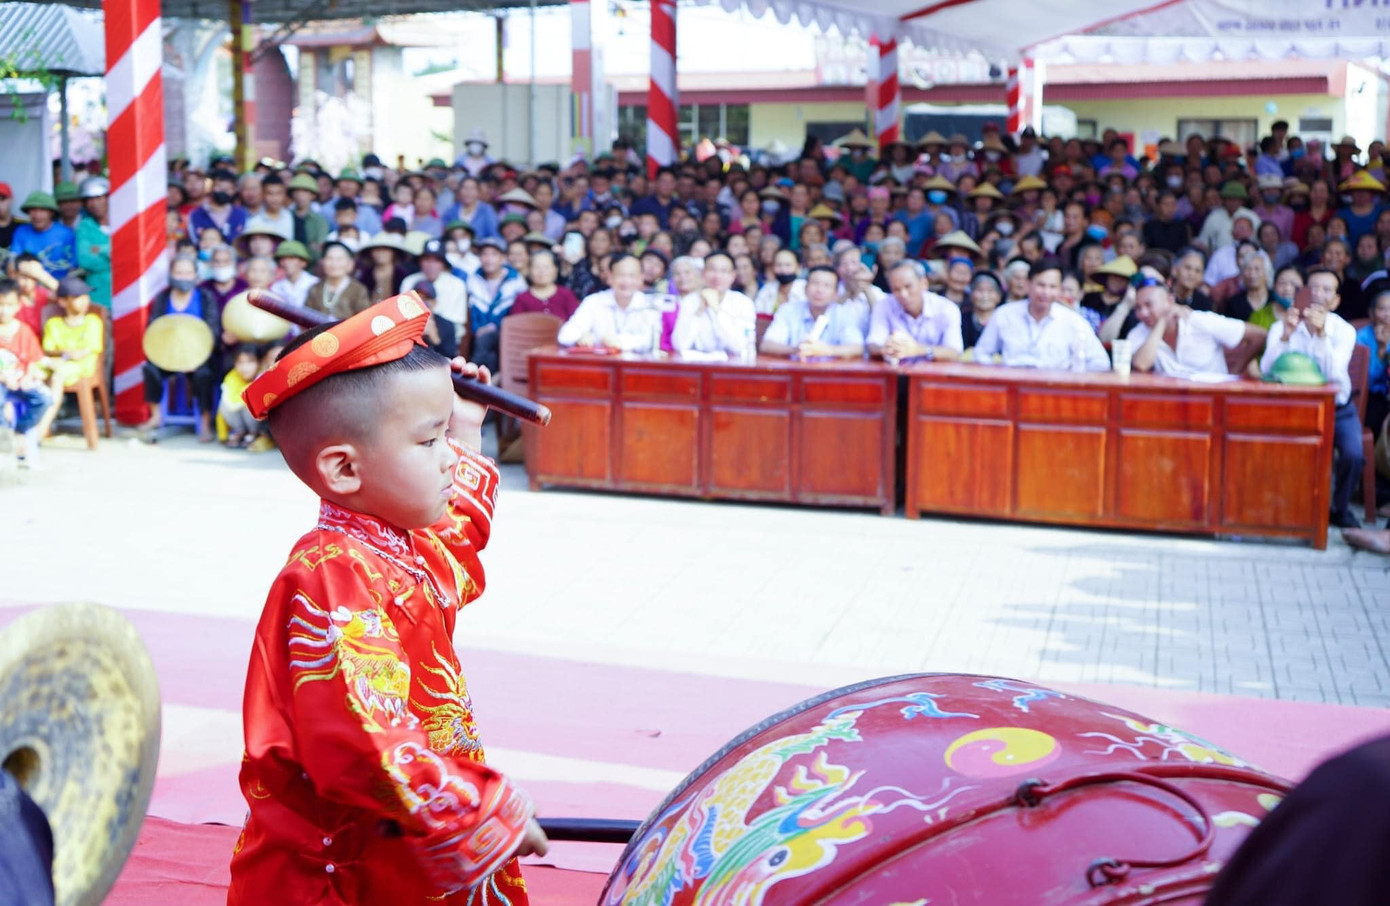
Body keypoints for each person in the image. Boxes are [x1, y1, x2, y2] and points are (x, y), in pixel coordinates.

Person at [227, 296, 547, 905]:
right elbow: (363, 743)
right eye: (430, 441)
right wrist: (475, 808)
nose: (450, 456)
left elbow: (452, 545)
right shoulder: (328, 576)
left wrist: (463, 428)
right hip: (343, 862)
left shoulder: (388, 544)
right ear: (344, 468)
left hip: (404, 824)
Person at [1259, 268, 1361, 528]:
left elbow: (1333, 376)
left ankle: (1339, 509)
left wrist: (1321, 335)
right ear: (1302, 292)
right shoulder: (1282, 325)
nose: (1318, 294)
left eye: (1326, 290)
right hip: (1293, 410)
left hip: (1338, 409)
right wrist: (1285, 335)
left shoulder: (1344, 331)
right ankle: (1282, 507)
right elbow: (1266, 370)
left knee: (1353, 454)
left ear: (1336, 301)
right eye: (1313, 288)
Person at [974, 257, 1111, 371]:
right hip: (1012, 388)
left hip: (1055, 393)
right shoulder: (1004, 314)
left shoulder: (1073, 321)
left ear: (1059, 289)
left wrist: (1072, 377)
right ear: (1028, 284)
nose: (1046, 292)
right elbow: (981, 353)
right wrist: (999, 373)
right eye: (1041, 285)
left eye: (1052, 287)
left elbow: (1101, 362)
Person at [141, 256, 219, 440]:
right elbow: (154, 329)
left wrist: (195, 358)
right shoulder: (163, 298)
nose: (183, 277)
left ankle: (205, 423)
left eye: (187, 273)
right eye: (179, 272)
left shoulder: (205, 297)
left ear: (195, 275)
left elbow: (212, 330)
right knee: (149, 369)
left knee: (204, 375)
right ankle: (155, 415)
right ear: (171, 275)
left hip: (198, 355)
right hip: (166, 354)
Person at [1129, 274, 1265, 378]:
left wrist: (1234, 373)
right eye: (1138, 307)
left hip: (1212, 397)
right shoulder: (1139, 332)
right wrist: (1162, 323)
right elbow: (1141, 365)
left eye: (1148, 305)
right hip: (1171, 404)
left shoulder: (1198, 320)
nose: (1143, 313)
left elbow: (1259, 335)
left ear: (1169, 301)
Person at [0, 278, 53, 468]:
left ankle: (20, 430)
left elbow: (33, 360)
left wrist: (30, 375)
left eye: (8, 305)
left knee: (45, 398)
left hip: (21, 382)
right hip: (2, 383)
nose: (3, 310)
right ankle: (3, 434)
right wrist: (4, 377)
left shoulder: (24, 331)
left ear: (18, 305)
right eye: (0, 304)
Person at [866, 260, 963, 363]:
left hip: (933, 375)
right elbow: (873, 344)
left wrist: (918, 350)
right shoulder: (883, 305)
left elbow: (954, 352)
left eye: (908, 286)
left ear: (924, 284)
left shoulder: (947, 309)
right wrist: (885, 348)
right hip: (896, 373)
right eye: (896, 289)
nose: (903, 294)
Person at [759, 264, 865, 359]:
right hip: (797, 371)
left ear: (836, 293)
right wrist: (798, 349)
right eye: (815, 283)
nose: (819, 290)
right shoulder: (788, 310)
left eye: (827, 285)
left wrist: (827, 350)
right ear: (805, 288)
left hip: (831, 375)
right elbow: (767, 345)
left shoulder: (844, 313)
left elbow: (857, 347)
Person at [557, 254, 659, 352]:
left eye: (632, 276)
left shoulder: (650, 305)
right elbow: (565, 335)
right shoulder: (593, 301)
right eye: (621, 275)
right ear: (609, 277)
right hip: (600, 366)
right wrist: (580, 336)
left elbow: (651, 340)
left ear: (641, 279)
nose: (626, 281)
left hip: (637, 367)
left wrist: (620, 341)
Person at [671, 251, 756, 357]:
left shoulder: (743, 303)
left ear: (733, 276)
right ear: (703, 273)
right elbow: (679, 345)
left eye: (724, 271)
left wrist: (716, 310)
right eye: (712, 270)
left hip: (733, 368)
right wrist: (699, 312)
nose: (717, 276)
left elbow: (739, 346)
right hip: (697, 366)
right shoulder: (690, 301)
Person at [465, 237, 528, 374]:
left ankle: (473, 378)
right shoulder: (473, 280)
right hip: (479, 334)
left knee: (486, 341)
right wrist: (478, 329)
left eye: (493, 254)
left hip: (507, 332)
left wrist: (493, 326)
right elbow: (472, 313)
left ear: (503, 258)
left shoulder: (515, 281)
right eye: (484, 254)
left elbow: (518, 313)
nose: (488, 259)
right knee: (488, 350)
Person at [402, 239, 469, 356]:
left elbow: (455, 325)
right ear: (420, 262)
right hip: (412, 338)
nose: (431, 265)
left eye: (436, 261)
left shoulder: (457, 285)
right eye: (427, 260)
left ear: (443, 264)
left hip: (447, 341)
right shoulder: (409, 281)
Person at [10, 192, 76, 278]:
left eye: (42, 210)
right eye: (33, 210)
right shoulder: (22, 231)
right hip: (29, 285)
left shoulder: (66, 234)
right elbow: (12, 261)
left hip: (60, 286)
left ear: (51, 213)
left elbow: (73, 267)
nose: (37, 215)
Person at [1355, 285, 1390, 435]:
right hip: (1372, 396)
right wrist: (1381, 350)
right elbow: (1365, 380)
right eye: (1382, 309)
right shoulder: (1361, 337)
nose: (1388, 314)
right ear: (1371, 313)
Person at [306, 241, 372, 319]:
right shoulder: (315, 289)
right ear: (323, 262)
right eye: (330, 258)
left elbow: (364, 320)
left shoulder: (359, 290)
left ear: (350, 264)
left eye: (339, 259)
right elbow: (306, 318)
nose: (334, 264)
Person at [75, 177, 112, 309]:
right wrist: (111, 251)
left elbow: (129, 255)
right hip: (98, 293)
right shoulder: (85, 227)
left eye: (98, 197)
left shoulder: (123, 222)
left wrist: (98, 249)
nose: (94, 203)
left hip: (126, 289)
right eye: (89, 200)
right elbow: (85, 259)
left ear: (108, 197)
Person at [511, 249, 580, 320]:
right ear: (529, 270)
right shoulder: (522, 298)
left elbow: (577, 322)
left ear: (555, 270)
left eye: (546, 267)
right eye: (537, 267)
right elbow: (514, 325)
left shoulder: (566, 295)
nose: (541, 271)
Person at [217, 345, 263, 448]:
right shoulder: (231, 377)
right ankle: (240, 432)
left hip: (257, 422)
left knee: (251, 402)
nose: (244, 367)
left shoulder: (263, 377)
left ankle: (254, 433)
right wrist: (222, 435)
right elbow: (224, 406)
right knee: (224, 403)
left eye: (250, 362)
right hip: (238, 420)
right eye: (240, 363)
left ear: (259, 363)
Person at [187, 169, 248, 244]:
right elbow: (195, 241)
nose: (223, 192)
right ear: (211, 187)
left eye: (228, 189)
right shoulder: (196, 214)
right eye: (220, 187)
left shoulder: (240, 213)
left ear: (234, 190)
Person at [753, 248, 805, 320]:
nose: (783, 270)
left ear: (799, 268)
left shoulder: (805, 290)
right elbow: (757, 315)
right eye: (778, 265)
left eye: (788, 265)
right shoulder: (767, 290)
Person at [269, 240, 319, 309]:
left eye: (291, 258)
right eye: (283, 259)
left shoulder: (315, 283)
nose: (286, 262)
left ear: (303, 262)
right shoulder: (276, 287)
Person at [962, 271, 1003, 349]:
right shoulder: (962, 319)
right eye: (980, 290)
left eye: (990, 291)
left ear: (999, 296)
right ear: (971, 295)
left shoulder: (1006, 319)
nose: (985, 296)